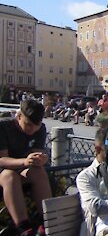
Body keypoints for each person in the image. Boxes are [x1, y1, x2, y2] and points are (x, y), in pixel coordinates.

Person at [0, 100, 51, 236]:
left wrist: (41, 159)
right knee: (10, 176)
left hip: (22, 169)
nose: (32, 129)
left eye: (36, 125)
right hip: (4, 172)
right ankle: (23, 227)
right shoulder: (3, 127)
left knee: (38, 171)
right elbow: (2, 160)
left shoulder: (40, 129)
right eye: (28, 124)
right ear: (19, 117)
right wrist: (24, 161)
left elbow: (35, 155)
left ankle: (47, 220)